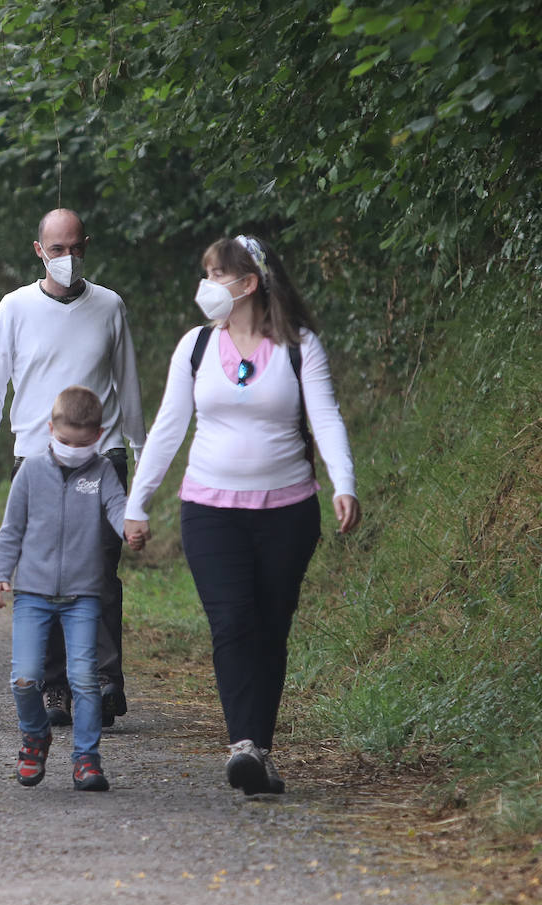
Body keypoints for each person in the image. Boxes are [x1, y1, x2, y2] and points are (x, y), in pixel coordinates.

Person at [123, 235, 361, 796]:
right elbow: (167, 428)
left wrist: (343, 483)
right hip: (210, 512)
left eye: (216, 274)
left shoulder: (299, 347)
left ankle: (261, 746)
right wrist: (138, 502)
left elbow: (325, 418)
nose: (205, 285)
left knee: (269, 628)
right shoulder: (196, 347)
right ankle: (244, 745)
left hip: (288, 513)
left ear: (249, 283)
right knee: (232, 623)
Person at [0, 208, 146, 728]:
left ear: (85, 245)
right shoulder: (15, 308)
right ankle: (54, 687)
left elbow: (128, 385)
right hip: (36, 457)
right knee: (44, 571)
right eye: (56, 249)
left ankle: (105, 681)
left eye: (74, 247)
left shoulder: (109, 306)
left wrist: (142, 461)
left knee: (99, 571)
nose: (65, 258)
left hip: (104, 454)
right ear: (38, 250)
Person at [0, 386, 131, 792]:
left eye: (83, 443)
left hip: (83, 594)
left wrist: (131, 526)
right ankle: (35, 737)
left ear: (98, 436)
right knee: (25, 677)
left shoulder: (101, 471)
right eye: (65, 441)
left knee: (85, 679)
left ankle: (86, 758)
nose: (73, 449)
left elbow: (118, 509)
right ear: (50, 429)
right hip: (32, 592)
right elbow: (12, 530)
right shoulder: (31, 471)